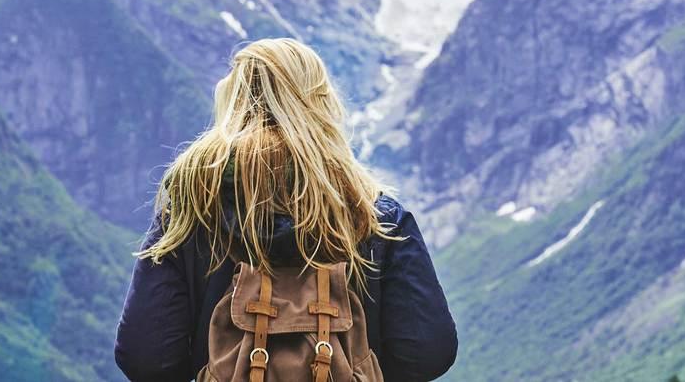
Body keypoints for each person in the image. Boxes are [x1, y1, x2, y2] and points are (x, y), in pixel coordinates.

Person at [114, 38, 457, 381]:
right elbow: (428, 353)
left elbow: (146, 358)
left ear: (234, 102)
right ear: (320, 103)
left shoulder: (192, 209)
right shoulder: (374, 216)